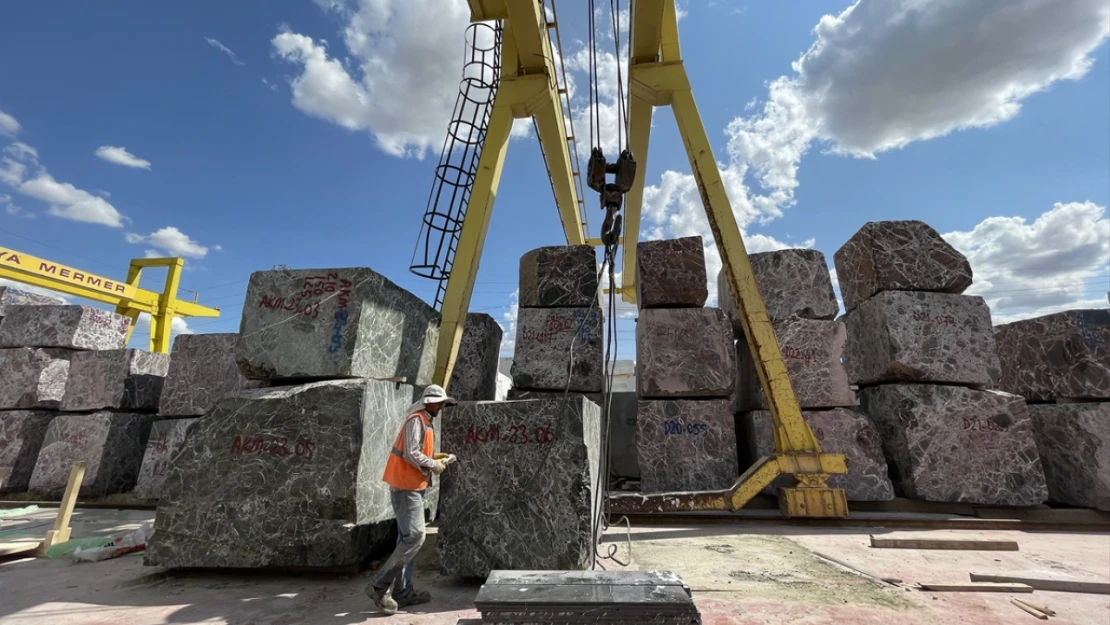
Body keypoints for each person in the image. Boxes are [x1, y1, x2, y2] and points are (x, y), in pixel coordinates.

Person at [366, 384, 456, 614]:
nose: (443, 406)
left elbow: (417, 450)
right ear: (429, 402)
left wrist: (435, 457)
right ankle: (379, 586)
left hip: (412, 485)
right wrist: (434, 464)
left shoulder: (425, 421)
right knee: (415, 537)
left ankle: (403, 593)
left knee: (405, 539)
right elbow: (410, 453)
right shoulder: (416, 419)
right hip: (406, 487)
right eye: (441, 402)